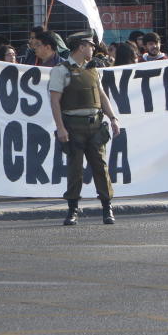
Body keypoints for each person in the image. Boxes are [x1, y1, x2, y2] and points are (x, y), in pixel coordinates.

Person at [49, 31, 120, 226]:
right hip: (73, 127)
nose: (93, 49)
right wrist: (61, 128)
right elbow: (55, 102)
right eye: (90, 45)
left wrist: (113, 118)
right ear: (81, 47)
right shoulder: (61, 70)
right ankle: (72, 210)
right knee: (75, 170)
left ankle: (107, 208)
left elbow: (102, 96)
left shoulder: (93, 70)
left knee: (101, 168)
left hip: (95, 126)